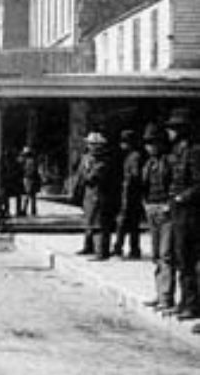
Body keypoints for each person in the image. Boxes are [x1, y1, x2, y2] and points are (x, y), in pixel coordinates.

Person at [163, 108, 200, 322]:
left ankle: (192, 305)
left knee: (188, 260)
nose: (168, 131)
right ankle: (184, 302)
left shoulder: (194, 151)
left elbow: (198, 184)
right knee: (179, 259)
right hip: (178, 213)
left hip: (190, 214)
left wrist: (180, 198)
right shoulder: (178, 151)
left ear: (181, 130)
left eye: (172, 128)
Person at [140, 122, 175, 311]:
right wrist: (145, 205)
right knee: (155, 255)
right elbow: (143, 187)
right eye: (147, 143)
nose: (150, 147)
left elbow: (175, 184)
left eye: (153, 143)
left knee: (166, 254)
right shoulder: (148, 164)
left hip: (165, 210)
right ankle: (160, 293)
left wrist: (169, 205)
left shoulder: (169, 161)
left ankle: (166, 297)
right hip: (152, 209)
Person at [75, 131, 116, 260]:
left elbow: (92, 177)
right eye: (89, 144)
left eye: (93, 144)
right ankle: (89, 246)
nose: (90, 146)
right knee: (89, 221)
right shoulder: (87, 158)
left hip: (99, 195)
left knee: (99, 223)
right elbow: (79, 174)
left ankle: (101, 251)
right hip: (88, 195)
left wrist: (86, 171)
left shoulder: (104, 161)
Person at [113, 129, 144, 259]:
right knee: (132, 225)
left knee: (123, 223)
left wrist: (126, 182)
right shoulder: (130, 156)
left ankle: (119, 248)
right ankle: (133, 249)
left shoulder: (134, 156)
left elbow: (135, 176)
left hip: (130, 194)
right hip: (131, 194)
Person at [21, 147, 42, 216]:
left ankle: (24, 210)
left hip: (28, 178)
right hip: (33, 178)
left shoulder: (26, 161)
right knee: (33, 196)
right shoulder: (34, 160)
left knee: (27, 195)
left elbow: (26, 170)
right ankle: (33, 211)